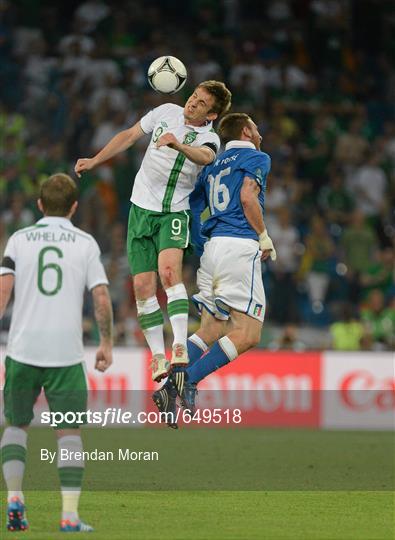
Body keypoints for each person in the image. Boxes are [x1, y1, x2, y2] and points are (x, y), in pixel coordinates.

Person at [74, 80, 232, 383]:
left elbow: (205, 157)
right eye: (194, 96)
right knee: (143, 287)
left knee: (170, 273)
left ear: (211, 115)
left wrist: (179, 145)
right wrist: (95, 160)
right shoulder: (165, 111)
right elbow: (130, 135)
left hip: (174, 211)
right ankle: (158, 357)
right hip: (140, 210)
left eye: (201, 104)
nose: (193, 103)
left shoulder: (209, 137)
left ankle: (179, 348)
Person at [0, 173, 113, 532]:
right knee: (69, 433)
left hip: (23, 349)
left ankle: (14, 500)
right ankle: (69, 516)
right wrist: (107, 342)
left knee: (16, 425)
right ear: (75, 207)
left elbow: (3, 291)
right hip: (65, 354)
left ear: (39, 205)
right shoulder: (85, 243)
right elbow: (100, 296)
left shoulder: (19, 239)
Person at [153, 112, 276, 425]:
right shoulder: (257, 156)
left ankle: (169, 387)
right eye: (257, 127)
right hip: (238, 247)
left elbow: (193, 206)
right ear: (247, 130)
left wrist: (199, 243)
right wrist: (263, 237)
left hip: (212, 250)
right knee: (248, 334)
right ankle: (189, 380)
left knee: (211, 329)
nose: (260, 133)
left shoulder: (212, 166)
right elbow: (249, 197)